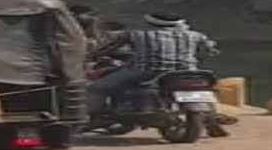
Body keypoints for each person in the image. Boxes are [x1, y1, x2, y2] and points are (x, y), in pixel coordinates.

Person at [88, 12, 218, 112]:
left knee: (96, 87)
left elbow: (106, 49)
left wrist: (91, 55)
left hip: (144, 72)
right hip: (188, 71)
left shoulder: (134, 34)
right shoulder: (195, 35)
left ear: (150, 22)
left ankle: (91, 115)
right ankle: (211, 117)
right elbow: (210, 51)